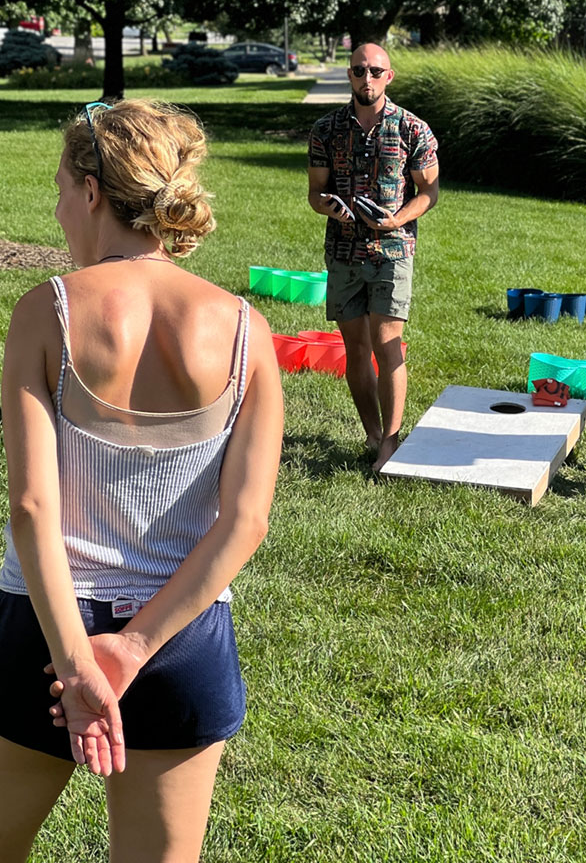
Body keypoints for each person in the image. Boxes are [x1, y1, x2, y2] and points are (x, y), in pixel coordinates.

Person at [0, 99, 284, 861]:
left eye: (62, 190)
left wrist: (75, 663)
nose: (58, 210)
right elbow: (246, 521)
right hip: (180, 642)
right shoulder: (246, 331)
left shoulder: (47, 312)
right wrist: (132, 648)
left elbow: (31, 507)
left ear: (92, 192)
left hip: (43, 632)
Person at [307, 43, 439, 473]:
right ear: (349, 74)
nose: (368, 78)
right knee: (356, 348)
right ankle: (372, 433)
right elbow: (315, 192)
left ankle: (391, 442)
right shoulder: (326, 130)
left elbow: (429, 192)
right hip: (343, 250)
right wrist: (328, 206)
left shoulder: (412, 129)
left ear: (389, 76)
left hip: (392, 250)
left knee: (388, 344)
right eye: (360, 70)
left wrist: (396, 219)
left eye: (376, 71)